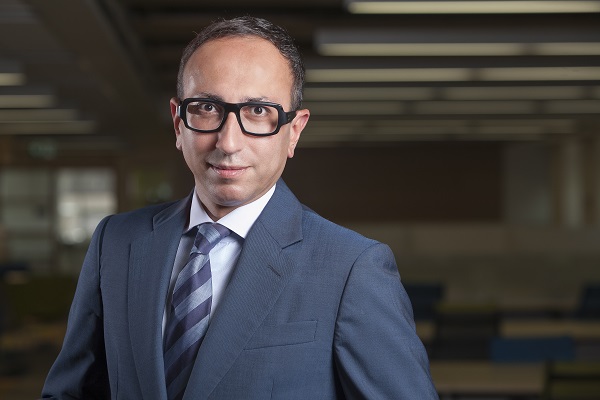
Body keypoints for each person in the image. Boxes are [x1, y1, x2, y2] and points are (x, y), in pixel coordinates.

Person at [42, 16, 438, 400]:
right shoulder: (116, 242)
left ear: (294, 131)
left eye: (258, 111)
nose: (229, 142)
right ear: (178, 123)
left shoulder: (352, 268)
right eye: (206, 108)